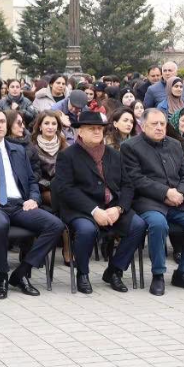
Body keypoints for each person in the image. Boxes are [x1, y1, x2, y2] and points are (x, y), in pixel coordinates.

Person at [0, 108, 63, 299]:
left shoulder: (18, 150)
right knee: (0, 224)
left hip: (19, 204)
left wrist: (34, 199)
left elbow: (32, 180)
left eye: (2, 121)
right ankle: (2, 277)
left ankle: (21, 273)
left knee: (55, 225)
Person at [121, 108, 184, 296]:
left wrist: (181, 193)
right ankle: (158, 274)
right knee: (158, 224)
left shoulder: (175, 144)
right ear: (143, 126)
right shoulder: (130, 146)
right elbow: (136, 179)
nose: (159, 127)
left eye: (162, 124)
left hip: (178, 202)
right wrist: (165, 193)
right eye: (154, 124)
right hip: (148, 202)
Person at [50, 110, 146, 293]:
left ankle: (114, 271)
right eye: (91, 128)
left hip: (111, 207)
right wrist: (94, 210)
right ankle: (83, 274)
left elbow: (128, 185)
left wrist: (119, 208)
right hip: (81, 209)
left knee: (138, 225)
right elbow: (65, 189)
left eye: (99, 128)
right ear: (80, 132)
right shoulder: (67, 155)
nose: (96, 131)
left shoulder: (114, 154)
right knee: (86, 230)